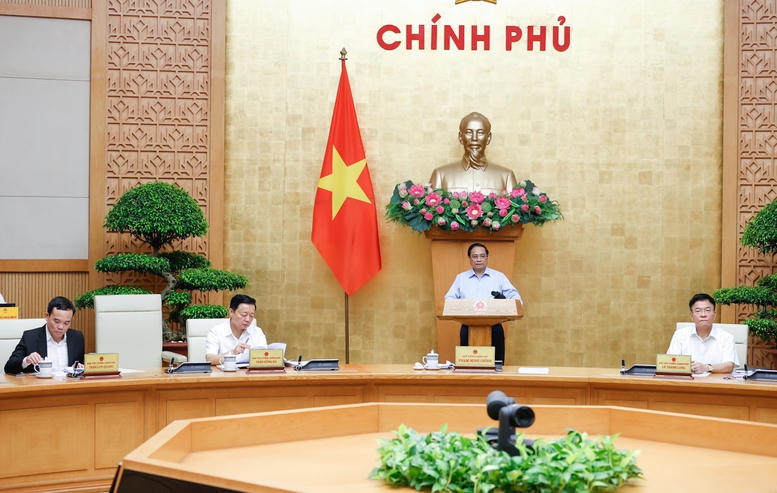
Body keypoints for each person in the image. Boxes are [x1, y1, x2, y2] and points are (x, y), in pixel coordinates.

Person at [445, 243, 522, 364]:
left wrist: (506, 302)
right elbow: (448, 301)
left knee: (496, 366)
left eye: (482, 256)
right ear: (469, 258)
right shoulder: (461, 278)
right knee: (468, 366)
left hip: (495, 327)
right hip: (468, 326)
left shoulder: (499, 277)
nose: (479, 259)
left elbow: (517, 299)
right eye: (475, 256)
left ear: (487, 257)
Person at [429, 112, 518, 194]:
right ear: (460, 137)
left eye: (480, 132)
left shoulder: (506, 177)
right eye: (468, 132)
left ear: (488, 138)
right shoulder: (440, 175)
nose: (474, 138)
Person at [4, 296, 85, 374]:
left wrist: (80, 367)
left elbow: (81, 365)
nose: (61, 327)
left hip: (69, 383)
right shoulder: (30, 337)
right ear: (47, 316)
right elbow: (9, 367)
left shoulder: (77, 337)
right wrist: (26, 360)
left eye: (66, 323)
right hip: (40, 383)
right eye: (57, 321)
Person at [667, 293, 738, 374]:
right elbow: (670, 362)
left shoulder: (727, 337)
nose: (703, 315)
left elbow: (729, 366)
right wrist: (685, 366)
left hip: (715, 381)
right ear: (691, 316)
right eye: (698, 311)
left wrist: (707, 368)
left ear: (714, 315)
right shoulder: (680, 335)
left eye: (707, 310)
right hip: (688, 380)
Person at [205, 294, 268, 365]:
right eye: (244, 315)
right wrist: (232, 353)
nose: (248, 319)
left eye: (251, 316)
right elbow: (210, 359)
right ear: (231, 312)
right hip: (225, 371)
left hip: (248, 371)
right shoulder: (216, 332)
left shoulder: (257, 332)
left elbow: (264, 357)